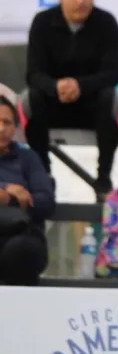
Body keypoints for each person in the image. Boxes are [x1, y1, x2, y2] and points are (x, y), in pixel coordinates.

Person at [25, 0, 118, 201]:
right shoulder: (42, 22)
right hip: (53, 104)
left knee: (109, 97)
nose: (81, 1)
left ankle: (103, 179)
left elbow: (112, 73)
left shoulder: (106, 22)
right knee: (32, 97)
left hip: (91, 106)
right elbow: (33, 74)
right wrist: (55, 87)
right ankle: (43, 173)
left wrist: (80, 85)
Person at [0, 95, 55, 286]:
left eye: (7, 123)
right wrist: (6, 189)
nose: (1, 129)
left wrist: (10, 200)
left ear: (15, 128)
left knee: (21, 251)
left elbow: (46, 202)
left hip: (22, 234)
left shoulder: (27, 158)